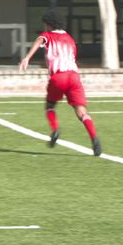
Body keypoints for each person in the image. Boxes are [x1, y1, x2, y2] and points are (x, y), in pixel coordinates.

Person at [18, 12, 102, 157]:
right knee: (82, 112)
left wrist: (27, 58)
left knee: (49, 106)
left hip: (59, 76)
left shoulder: (48, 35)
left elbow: (39, 40)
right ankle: (94, 138)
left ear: (49, 24)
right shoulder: (70, 38)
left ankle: (55, 129)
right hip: (74, 76)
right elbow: (73, 57)